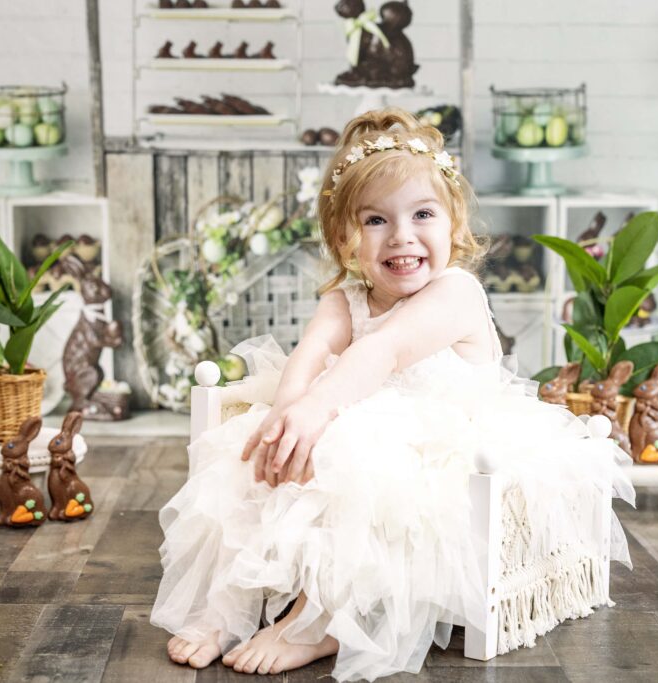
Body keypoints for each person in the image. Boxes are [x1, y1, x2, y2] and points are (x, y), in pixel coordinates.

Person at [152, 108, 633, 681]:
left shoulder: (454, 292)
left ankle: (320, 623)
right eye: (376, 220)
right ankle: (223, 609)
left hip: (444, 450)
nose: (402, 235)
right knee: (255, 453)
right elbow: (309, 356)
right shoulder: (347, 298)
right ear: (345, 239)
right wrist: (285, 412)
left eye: (422, 214)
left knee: (353, 449)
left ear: (454, 225)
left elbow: (380, 354)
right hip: (348, 423)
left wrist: (314, 410)